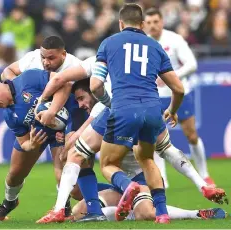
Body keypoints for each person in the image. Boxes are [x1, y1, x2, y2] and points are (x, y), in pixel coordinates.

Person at [36, 66, 228, 224]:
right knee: (79, 211)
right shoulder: (110, 110)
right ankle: (122, 205)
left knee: (146, 213)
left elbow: (168, 151)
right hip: (120, 182)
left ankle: (198, 213)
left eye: (81, 98)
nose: (80, 104)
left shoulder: (105, 112)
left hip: (141, 178)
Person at [90, 4, 185, 223]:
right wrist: (172, 110)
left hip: (123, 108)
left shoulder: (108, 43)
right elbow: (178, 88)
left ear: (121, 24)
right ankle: (161, 214)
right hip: (152, 110)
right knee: (147, 159)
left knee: (107, 164)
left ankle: (127, 185)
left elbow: (95, 85)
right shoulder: (155, 46)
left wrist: (109, 103)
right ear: (142, 25)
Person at [0, 69, 75, 221]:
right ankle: (10, 202)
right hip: (38, 135)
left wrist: (52, 111)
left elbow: (64, 83)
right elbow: (24, 142)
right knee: (14, 175)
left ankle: (64, 209)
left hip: (61, 129)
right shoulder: (9, 115)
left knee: (61, 172)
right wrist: (32, 145)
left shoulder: (29, 78)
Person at [1, 35, 88, 216]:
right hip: (34, 125)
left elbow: (78, 93)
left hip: (64, 124)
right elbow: (7, 72)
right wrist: (16, 89)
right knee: (15, 173)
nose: (46, 62)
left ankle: (68, 206)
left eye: (51, 58)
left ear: (63, 54)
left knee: (67, 179)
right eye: (44, 57)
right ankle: (9, 201)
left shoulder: (76, 66)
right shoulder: (32, 59)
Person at [144, 8, 215, 187]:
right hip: (155, 96)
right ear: (144, 24)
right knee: (155, 138)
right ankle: (162, 179)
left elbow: (192, 64)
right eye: (149, 22)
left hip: (179, 93)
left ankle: (204, 174)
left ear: (162, 22)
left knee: (191, 135)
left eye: (155, 22)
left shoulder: (174, 39)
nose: (152, 26)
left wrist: (171, 77)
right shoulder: (143, 43)